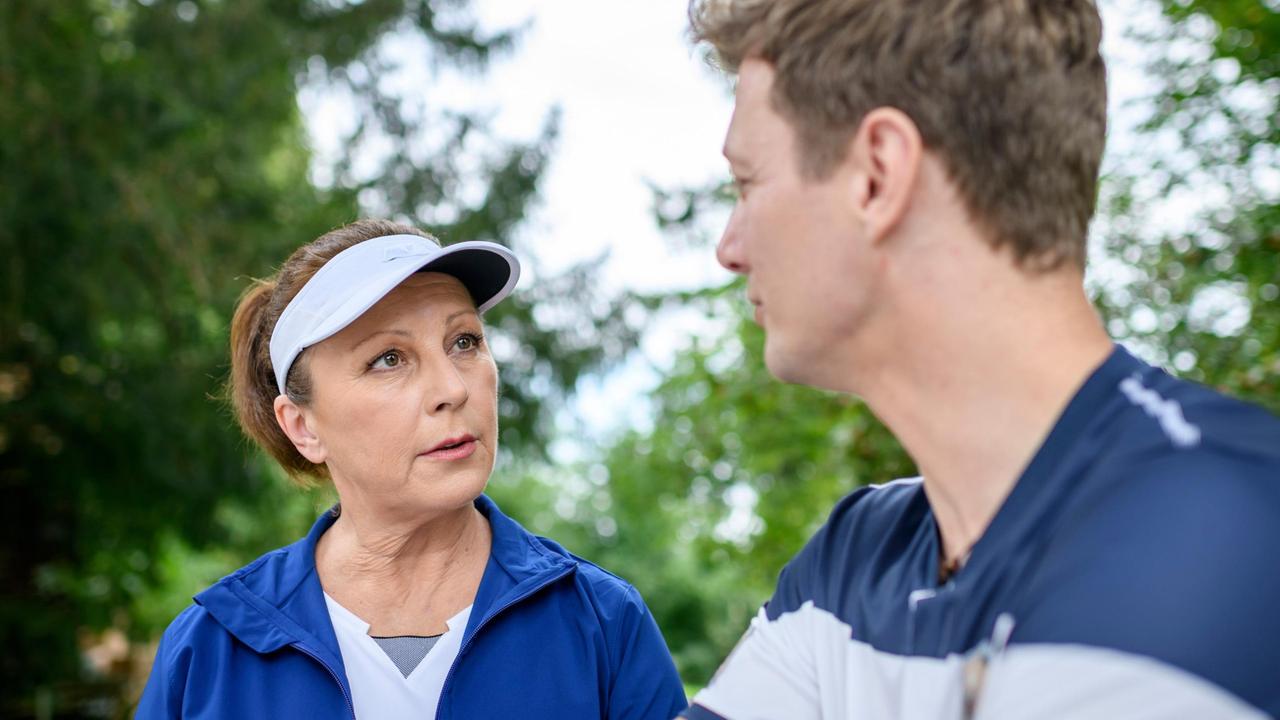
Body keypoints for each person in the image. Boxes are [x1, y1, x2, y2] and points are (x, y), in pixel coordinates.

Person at [680, 1, 1280, 718]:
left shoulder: (1219, 534)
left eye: (747, 185)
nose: (729, 249)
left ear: (877, 173)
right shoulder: (851, 562)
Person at [136, 219, 687, 719]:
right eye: (388, 359)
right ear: (303, 426)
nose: (453, 388)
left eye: (464, 342)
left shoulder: (604, 625)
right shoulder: (209, 650)